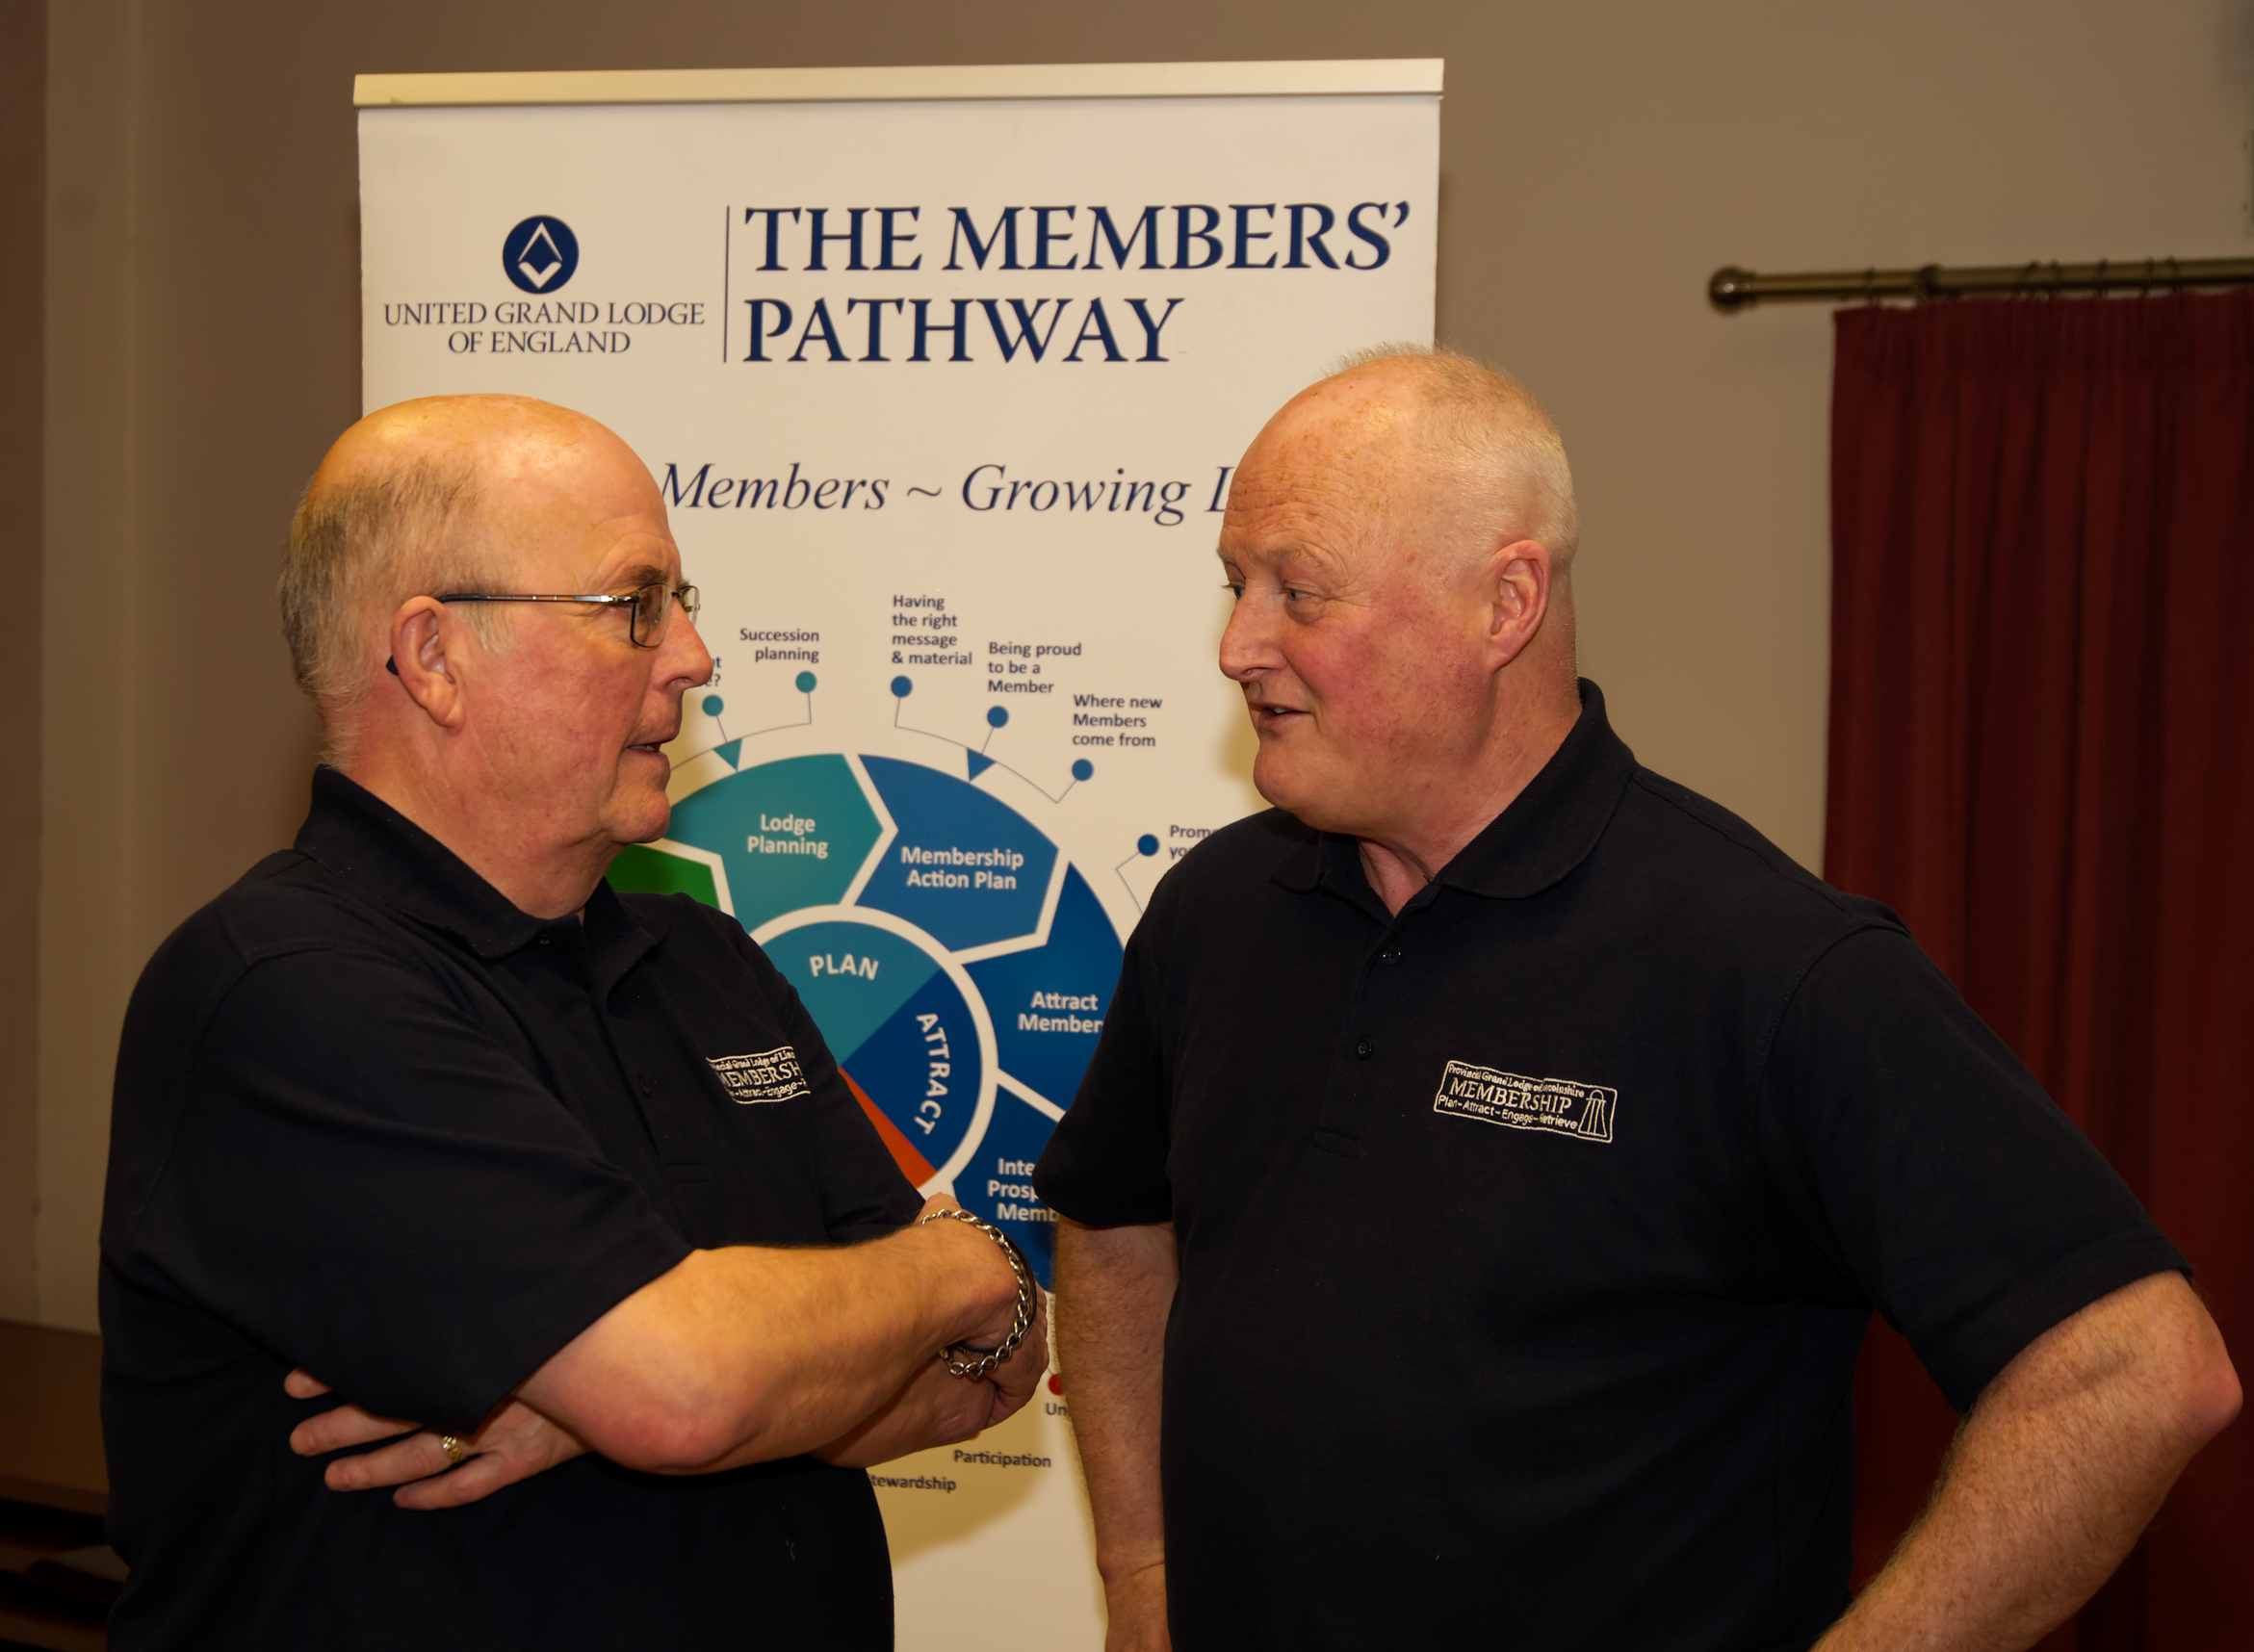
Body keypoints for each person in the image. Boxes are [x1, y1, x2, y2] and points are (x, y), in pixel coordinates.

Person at [1031, 348, 2241, 1652]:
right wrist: (1143, 1569)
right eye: (1236, 585)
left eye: (1299, 592)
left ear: (1505, 605)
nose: (1236, 647)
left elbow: (2137, 1372)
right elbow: (1113, 1211)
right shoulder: (1216, 910)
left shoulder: (1767, 964)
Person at [99, 395, 1044, 1650]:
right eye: (633, 605)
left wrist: (618, 1405)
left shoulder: (705, 960)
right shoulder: (285, 989)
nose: (694, 656)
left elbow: (980, 1376)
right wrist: (960, 1265)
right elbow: (688, 1392)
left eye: (679, 601)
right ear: (433, 657)